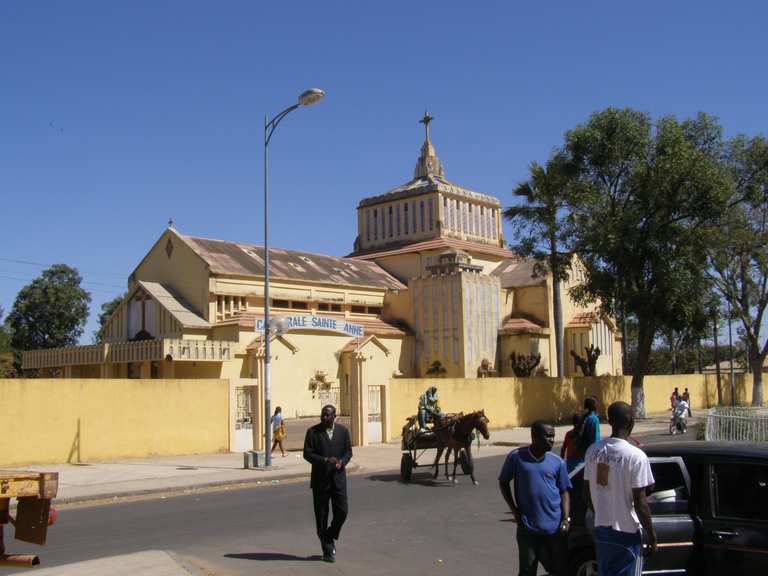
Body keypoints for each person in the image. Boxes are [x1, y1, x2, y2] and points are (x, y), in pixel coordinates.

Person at [584, 401, 657, 576]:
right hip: (627, 533)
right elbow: (640, 503)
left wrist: (603, 511)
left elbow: (586, 495)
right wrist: (652, 535)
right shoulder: (636, 456)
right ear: (630, 421)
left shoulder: (593, 451)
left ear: (610, 422)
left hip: (602, 531)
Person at [499, 420, 572, 576]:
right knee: (527, 569)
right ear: (534, 436)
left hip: (554, 529)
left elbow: (564, 491)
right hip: (528, 528)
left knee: (559, 569)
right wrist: (515, 511)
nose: (552, 440)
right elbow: (503, 482)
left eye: (553, 436)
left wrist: (565, 518)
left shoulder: (557, 462)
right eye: (548, 436)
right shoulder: (517, 457)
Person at [303, 405, 353, 563]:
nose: (324, 418)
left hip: (338, 480)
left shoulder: (343, 432)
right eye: (322, 415)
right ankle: (327, 550)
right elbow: (307, 453)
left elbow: (348, 452)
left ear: (334, 416)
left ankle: (330, 534)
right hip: (320, 482)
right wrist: (324, 460)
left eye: (327, 415)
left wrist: (342, 462)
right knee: (322, 518)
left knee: (342, 511)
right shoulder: (313, 432)